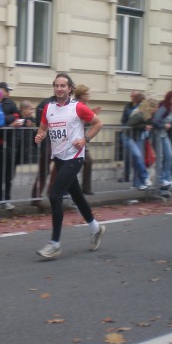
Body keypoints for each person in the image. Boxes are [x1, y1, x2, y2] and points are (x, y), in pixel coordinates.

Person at [34, 72, 106, 259]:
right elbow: (43, 127)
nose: (59, 89)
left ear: (70, 88)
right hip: (59, 158)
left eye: (63, 86)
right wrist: (40, 135)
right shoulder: (48, 108)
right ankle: (96, 228)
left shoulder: (78, 107)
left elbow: (98, 123)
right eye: (56, 86)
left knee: (55, 195)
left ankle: (55, 243)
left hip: (74, 157)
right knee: (76, 194)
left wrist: (85, 139)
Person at [0, 82, 20, 210]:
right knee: (0, 172)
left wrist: (8, 120)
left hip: (10, 142)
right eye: (6, 90)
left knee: (9, 173)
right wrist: (9, 120)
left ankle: (5, 197)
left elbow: (16, 117)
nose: (9, 92)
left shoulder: (11, 103)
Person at [73, 84, 101, 195]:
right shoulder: (76, 105)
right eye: (87, 94)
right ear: (81, 95)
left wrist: (92, 115)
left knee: (88, 161)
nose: (89, 95)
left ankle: (85, 188)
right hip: (74, 140)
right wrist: (92, 116)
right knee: (73, 165)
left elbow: (85, 124)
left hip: (82, 139)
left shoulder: (84, 105)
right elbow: (78, 123)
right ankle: (70, 189)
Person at [152, 90, 172, 192]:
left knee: (170, 155)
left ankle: (167, 179)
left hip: (164, 134)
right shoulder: (164, 108)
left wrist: (171, 125)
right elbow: (155, 121)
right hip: (157, 134)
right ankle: (160, 181)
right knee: (160, 158)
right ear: (169, 99)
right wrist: (164, 125)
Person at [126, 98, 158, 191]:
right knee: (138, 156)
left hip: (138, 137)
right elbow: (129, 125)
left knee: (138, 160)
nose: (157, 109)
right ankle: (145, 177)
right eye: (156, 107)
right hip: (129, 137)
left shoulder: (150, 115)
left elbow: (152, 124)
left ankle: (138, 183)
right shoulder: (140, 114)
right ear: (150, 107)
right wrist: (144, 126)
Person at [120, 90, 142, 182]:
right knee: (127, 156)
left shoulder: (141, 106)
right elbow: (123, 119)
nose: (133, 98)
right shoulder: (128, 106)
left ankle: (137, 179)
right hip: (128, 134)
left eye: (135, 96)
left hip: (137, 135)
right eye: (132, 96)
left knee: (137, 156)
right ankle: (126, 175)